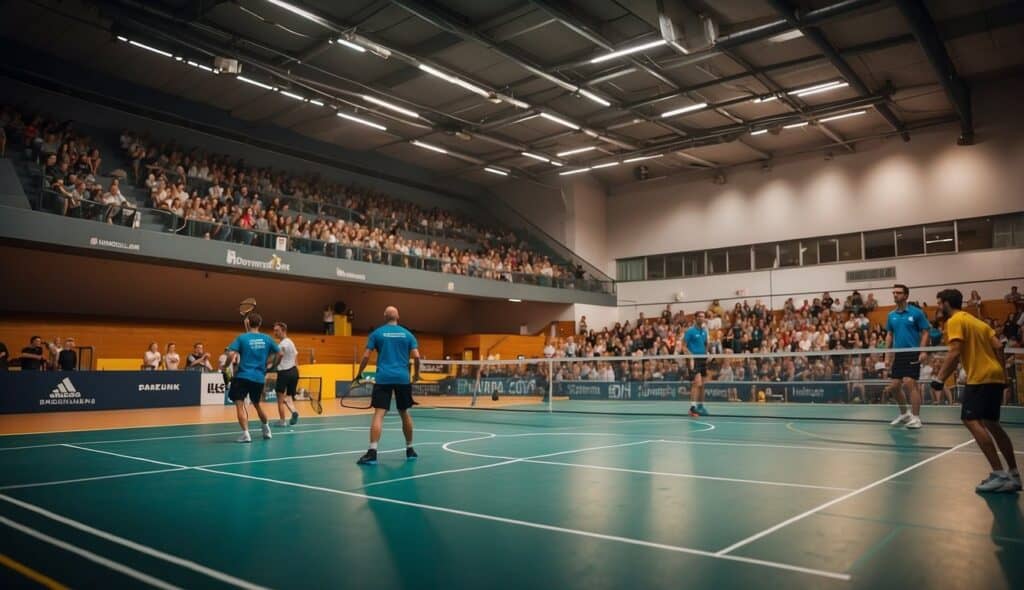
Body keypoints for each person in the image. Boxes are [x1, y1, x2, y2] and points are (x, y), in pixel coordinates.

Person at [931, 289, 1019, 492]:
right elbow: (999, 346)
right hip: (995, 375)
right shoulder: (978, 322)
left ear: (946, 303)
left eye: (939, 303)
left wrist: (939, 378)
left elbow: (954, 352)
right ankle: (1014, 474)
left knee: (970, 419)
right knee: (992, 424)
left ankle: (999, 474)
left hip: (980, 377)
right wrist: (1003, 376)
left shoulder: (954, 321)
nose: (938, 307)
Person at [353, 306, 421, 465]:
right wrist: (416, 375)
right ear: (398, 317)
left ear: (385, 317)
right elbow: (417, 357)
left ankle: (372, 452)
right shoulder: (408, 334)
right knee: (404, 413)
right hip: (403, 378)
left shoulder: (377, 333)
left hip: (383, 377)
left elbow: (365, 356)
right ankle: (410, 449)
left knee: (379, 414)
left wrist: (359, 373)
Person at [227, 312, 280, 443]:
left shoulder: (242, 338)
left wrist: (226, 365)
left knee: (240, 405)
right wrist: (272, 367)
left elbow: (231, 354)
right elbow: (280, 353)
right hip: (259, 377)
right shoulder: (267, 338)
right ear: (260, 324)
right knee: (257, 404)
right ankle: (266, 429)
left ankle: (246, 434)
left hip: (243, 376)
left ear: (248, 323)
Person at [885, 284, 930, 429]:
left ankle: (916, 418)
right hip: (899, 354)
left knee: (910, 383)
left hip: (913, 352)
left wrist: (922, 351)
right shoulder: (891, 315)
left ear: (906, 295)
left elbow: (925, 332)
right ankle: (905, 414)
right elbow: (889, 334)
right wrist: (887, 354)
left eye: (898, 293)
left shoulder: (916, 313)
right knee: (894, 386)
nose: (895, 295)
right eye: (894, 293)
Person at [272, 322, 301, 427]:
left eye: (277, 330)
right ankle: (294, 412)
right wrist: (297, 372)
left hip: (284, 373)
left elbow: (281, 354)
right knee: (288, 397)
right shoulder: (291, 342)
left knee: (279, 399)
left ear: (283, 331)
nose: (275, 332)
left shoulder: (283, 344)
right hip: (294, 372)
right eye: (274, 330)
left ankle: (282, 421)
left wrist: (274, 366)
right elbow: (296, 356)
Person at [684, 311, 710, 417]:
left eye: (703, 317)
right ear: (695, 318)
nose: (701, 318)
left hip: (703, 359)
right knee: (697, 383)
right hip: (694, 360)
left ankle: (700, 406)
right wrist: (690, 356)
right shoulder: (690, 331)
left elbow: (705, 344)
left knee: (703, 385)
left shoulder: (704, 331)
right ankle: (692, 408)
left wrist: (707, 353)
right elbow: (684, 346)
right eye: (699, 316)